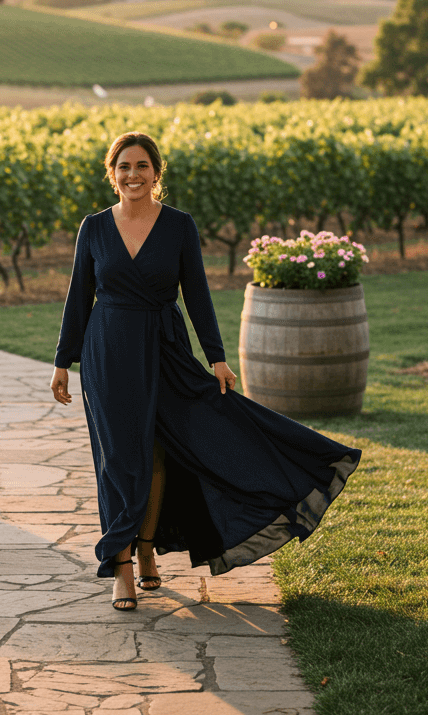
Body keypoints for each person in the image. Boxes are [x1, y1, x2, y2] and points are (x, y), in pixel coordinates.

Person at [50, 131, 361, 612]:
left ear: (157, 173)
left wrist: (216, 356)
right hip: (107, 350)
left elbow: (196, 293)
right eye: (124, 167)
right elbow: (78, 298)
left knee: (161, 452)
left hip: (166, 348)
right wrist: (62, 362)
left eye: (142, 167)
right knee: (118, 457)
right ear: (112, 175)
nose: (133, 175)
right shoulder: (93, 229)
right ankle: (122, 564)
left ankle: (149, 547)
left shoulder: (178, 226)